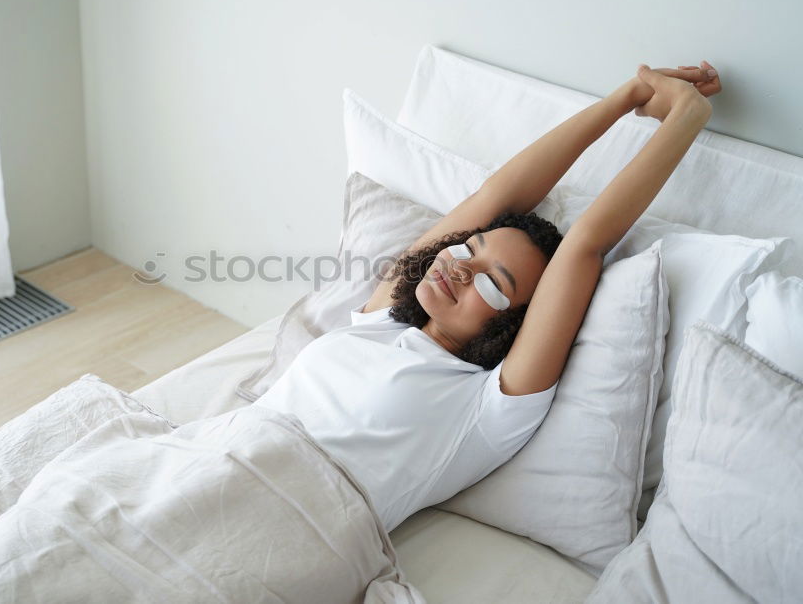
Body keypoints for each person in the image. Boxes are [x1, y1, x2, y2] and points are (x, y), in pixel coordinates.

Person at [255, 61, 722, 533]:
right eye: (466, 248)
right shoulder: (382, 318)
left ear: (515, 325)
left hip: (288, 523)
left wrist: (686, 113)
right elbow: (496, 196)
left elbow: (587, 242)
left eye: (491, 283)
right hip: (220, 453)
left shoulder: (489, 405)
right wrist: (624, 98)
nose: (458, 268)